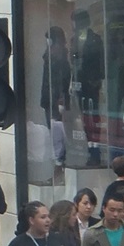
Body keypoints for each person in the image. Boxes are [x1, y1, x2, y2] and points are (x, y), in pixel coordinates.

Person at [70, 7, 104, 166]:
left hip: (91, 84)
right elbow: (74, 63)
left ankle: (95, 151)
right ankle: (89, 149)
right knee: (84, 117)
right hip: (79, 84)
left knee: (94, 117)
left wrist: (98, 80)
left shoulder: (95, 39)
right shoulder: (73, 40)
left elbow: (100, 63)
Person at [40, 25, 71, 168]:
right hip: (50, 101)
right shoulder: (51, 57)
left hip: (56, 102)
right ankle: (57, 167)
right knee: (54, 136)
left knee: (57, 137)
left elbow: (59, 81)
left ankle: (59, 166)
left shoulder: (59, 60)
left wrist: (60, 101)